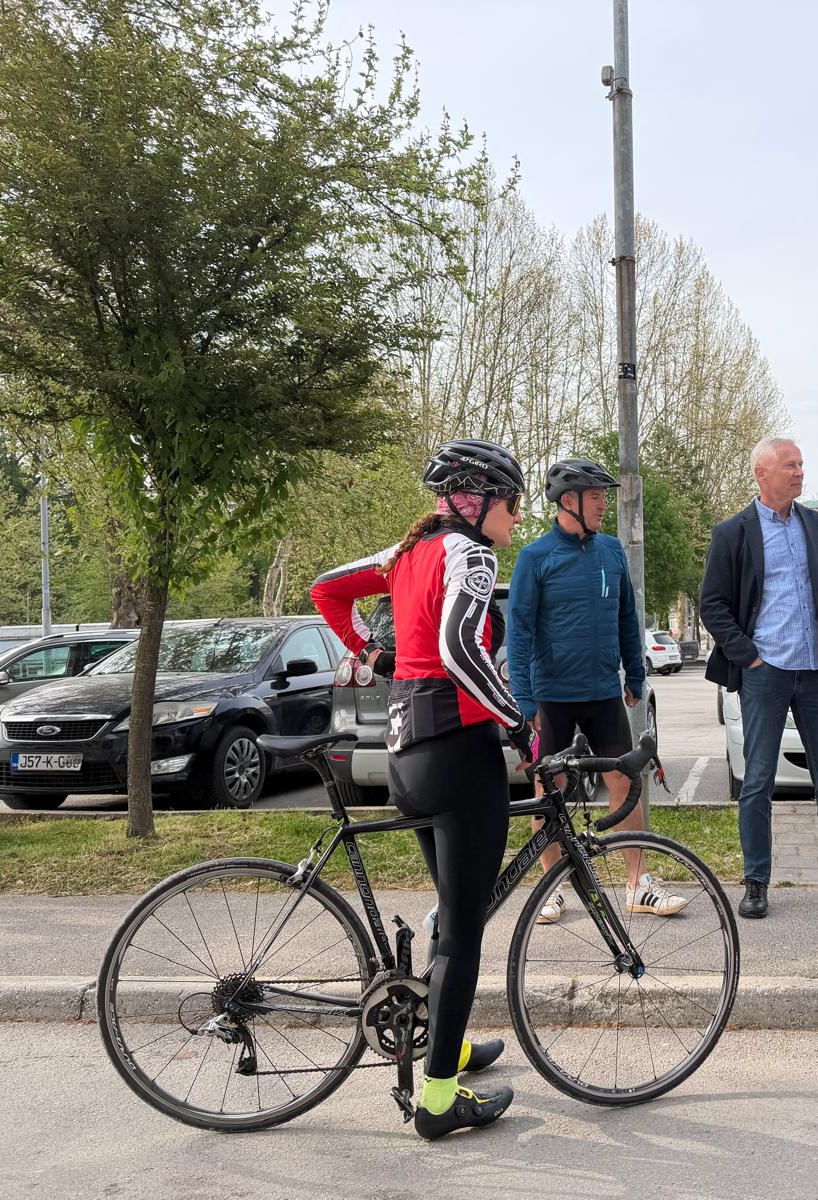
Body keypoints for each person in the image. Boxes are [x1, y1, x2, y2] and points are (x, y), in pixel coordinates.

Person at [310, 439, 531, 1140]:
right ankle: (438, 1101)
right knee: (462, 932)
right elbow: (462, 651)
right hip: (459, 756)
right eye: (511, 502)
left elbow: (326, 591)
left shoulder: (407, 552)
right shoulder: (470, 555)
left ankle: (448, 1047)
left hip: (406, 756)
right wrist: (518, 723)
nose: (517, 516)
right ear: (477, 501)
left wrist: (373, 656)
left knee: (452, 917)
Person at [507, 458, 686, 923]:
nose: (604, 504)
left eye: (604, 496)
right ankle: (551, 888)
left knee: (625, 779)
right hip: (552, 695)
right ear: (568, 501)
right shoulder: (535, 558)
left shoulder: (611, 550)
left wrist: (635, 674)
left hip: (604, 691)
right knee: (549, 787)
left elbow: (627, 616)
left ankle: (637, 883)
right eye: (595, 496)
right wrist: (524, 700)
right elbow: (519, 633)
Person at [701, 437, 818, 921]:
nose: (799, 472)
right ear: (762, 473)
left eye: (801, 465)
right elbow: (712, 604)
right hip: (766, 674)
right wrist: (749, 657)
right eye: (790, 465)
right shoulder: (732, 532)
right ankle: (756, 881)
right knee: (757, 781)